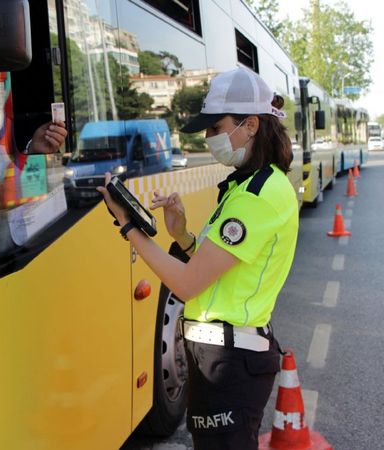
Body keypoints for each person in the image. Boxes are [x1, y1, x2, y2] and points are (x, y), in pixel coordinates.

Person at [97, 67, 299, 449]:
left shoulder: (256, 195)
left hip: (231, 361)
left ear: (251, 124)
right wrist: (181, 234)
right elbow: (217, 269)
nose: (208, 138)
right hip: (223, 356)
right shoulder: (247, 184)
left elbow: (188, 284)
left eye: (214, 127)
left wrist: (129, 226)